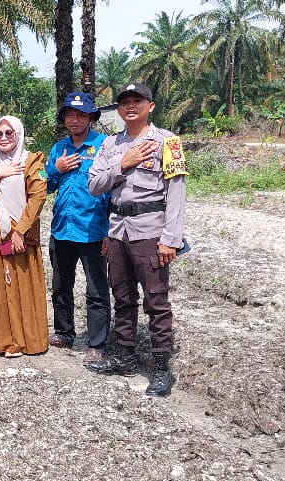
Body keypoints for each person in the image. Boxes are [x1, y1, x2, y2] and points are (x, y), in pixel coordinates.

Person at [86, 82, 187, 397]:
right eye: (125, 102)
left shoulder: (167, 142)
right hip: (118, 231)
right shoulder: (111, 144)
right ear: (118, 109)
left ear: (150, 106)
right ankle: (125, 356)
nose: (130, 106)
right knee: (123, 297)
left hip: (150, 231)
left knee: (156, 300)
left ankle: (161, 368)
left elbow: (177, 193)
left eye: (137, 101)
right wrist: (123, 163)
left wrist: (170, 239)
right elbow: (94, 185)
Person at [46, 91, 112, 364]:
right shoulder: (59, 148)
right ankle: (64, 333)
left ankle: (97, 343)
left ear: (90, 118)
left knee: (96, 290)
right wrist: (56, 168)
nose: (75, 120)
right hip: (62, 228)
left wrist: (109, 230)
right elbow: (46, 185)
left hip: (93, 229)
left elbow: (114, 189)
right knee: (61, 285)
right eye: (70, 115)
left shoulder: (104, 146)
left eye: (81, 115)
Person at [0, 115, 49, 357]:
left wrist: (20, 231)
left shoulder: (31, 160)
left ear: (19, 134)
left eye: (9, 133)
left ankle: (20, 341)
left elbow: (38, 197)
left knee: (20, 289)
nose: (4, 137)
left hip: (20, 237)